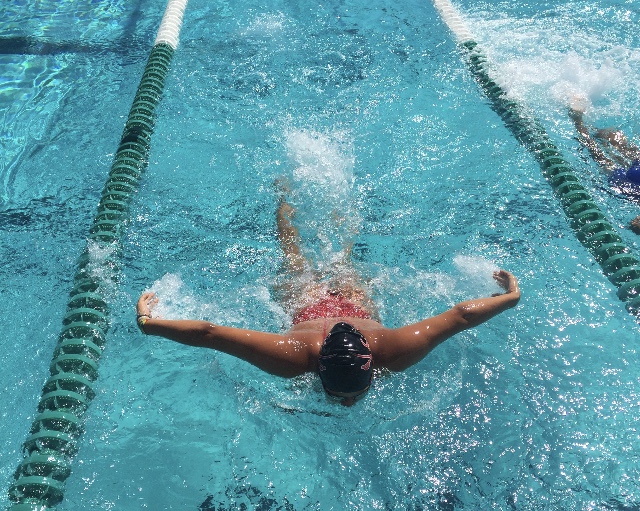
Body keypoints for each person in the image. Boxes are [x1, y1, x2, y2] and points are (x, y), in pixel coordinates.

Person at [136, 191, 521, 406]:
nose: (348, 403)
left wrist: (149, 323)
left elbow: (208, 332)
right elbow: (461, 315)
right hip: (338, 305)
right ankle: (306, 198)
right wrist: (148, 325)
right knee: (324, 257)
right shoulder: (298, 356)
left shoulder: (300, 356)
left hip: (315, 306)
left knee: (300, 255)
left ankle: (287, 199)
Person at [569, 106, 640, 234]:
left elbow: (635, 224)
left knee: (613, 147)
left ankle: (581, 120)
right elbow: (635, 224)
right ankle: (578, 120)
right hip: (629, 185)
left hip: (630, 183)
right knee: (599, 151)